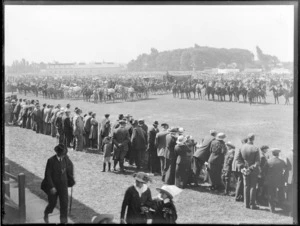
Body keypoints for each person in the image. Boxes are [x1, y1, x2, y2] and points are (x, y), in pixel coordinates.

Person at [42, 144, 75, 224]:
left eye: (65, 154)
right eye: (63, 154)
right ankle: (46, 212)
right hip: (53, 187)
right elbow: (47, 175)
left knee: (64, 205)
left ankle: (63, 222)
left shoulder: (66, 159)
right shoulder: (51, 161)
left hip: (63, 186)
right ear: (58, 153)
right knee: (52, 204)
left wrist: (70, 179)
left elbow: (70, 166)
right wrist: (52, 187)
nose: (64, 155)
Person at [236, 133, 260, 209]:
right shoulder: (255, 148)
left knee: (246, 186)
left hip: (244, 170)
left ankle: (246, 204)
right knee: (253, 186)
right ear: (253, 139)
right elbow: (257, 162)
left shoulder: (242, 147)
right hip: (252, 171)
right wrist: (251, 168)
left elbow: (238, 159)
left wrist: (243, 168)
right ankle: (252, 204)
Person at [264, 148, 287, 213]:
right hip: (279, 180)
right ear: (278, 153)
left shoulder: (268, 161)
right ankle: (282, 206)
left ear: (272, 153)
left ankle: (272, 208)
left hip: (270, 180)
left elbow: (264, 171)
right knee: (280, 194)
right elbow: (285, 169)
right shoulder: (282, 161)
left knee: (271, 194)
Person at [232, 137, 247, 202]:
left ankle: (238, 194)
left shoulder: (238, 147)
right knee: (240, 182)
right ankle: (237, 196)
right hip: (239, 166)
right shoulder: (243, 148)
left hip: (234, 166)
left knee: (238, 181)